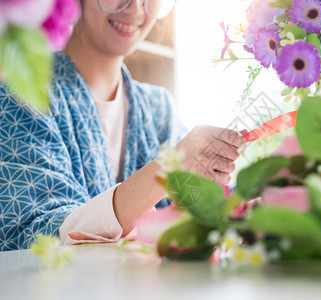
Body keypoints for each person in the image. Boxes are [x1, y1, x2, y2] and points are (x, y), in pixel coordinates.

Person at [0, 0, 246, 251]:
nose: (136, 8)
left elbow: (201, 203)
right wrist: (166, 169)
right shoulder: (23, 97)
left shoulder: (158, 108)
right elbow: (37, 235)